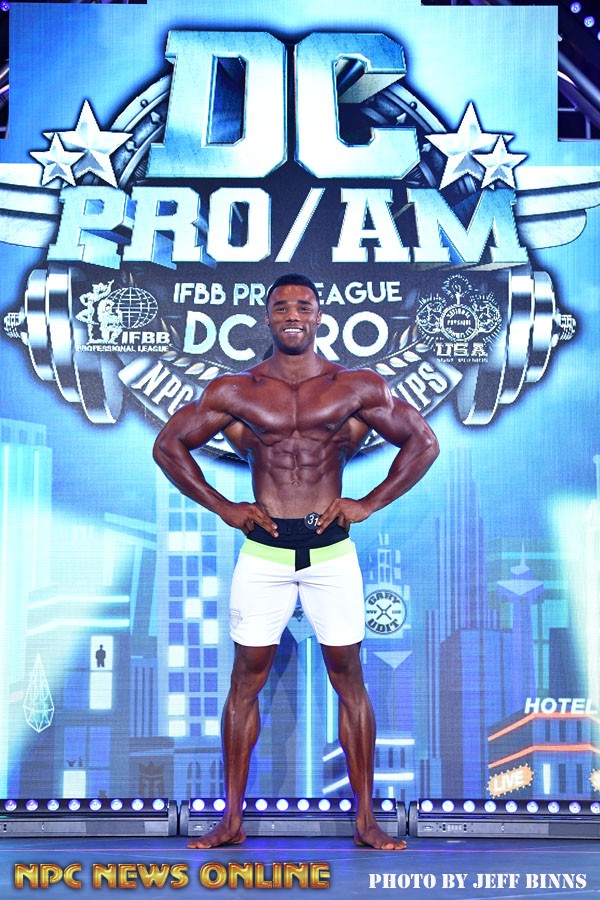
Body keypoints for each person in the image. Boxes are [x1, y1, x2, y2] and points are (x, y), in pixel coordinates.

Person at [153, 273, 439, 850]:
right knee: (244, 681)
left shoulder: (353, 386)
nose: (292, 315)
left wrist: (369, 502)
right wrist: (224, 506)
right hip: (264, 552)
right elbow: (168, 445)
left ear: (318, 316)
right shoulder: (237, 390)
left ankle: (366, 820)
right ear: (266, 317)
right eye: (281, 306)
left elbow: (424, 442)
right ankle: (231, 819)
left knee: (350, 678)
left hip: (330, 550)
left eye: (303, 306)